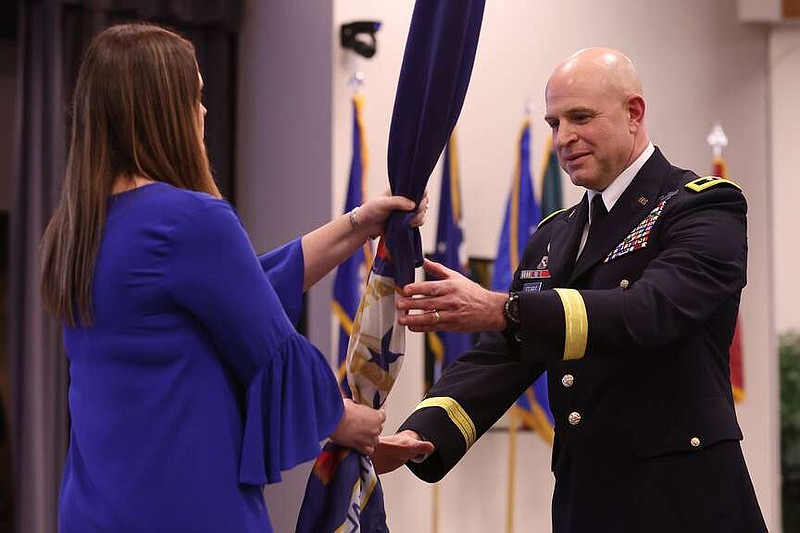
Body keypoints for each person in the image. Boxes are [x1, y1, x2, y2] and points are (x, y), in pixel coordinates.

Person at [39, 23, 426, 532]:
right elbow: (273, 351)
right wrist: (351, 422)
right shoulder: (189, 219)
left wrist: (358, 224)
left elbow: (247, 289)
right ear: (160, 110)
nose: (203, 112)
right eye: (194, 97)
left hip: (94, 510)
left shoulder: (78, 228)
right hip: (187, 508)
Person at [373, 47, 767, 532]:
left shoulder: (703, 207)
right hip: (588, 500)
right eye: (554, 123)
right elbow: (505, 354)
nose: (564, 138)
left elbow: (650, 312)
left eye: (580, 117)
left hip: (684, 501)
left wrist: (504, 308)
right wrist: (421, 432)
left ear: (633, 113)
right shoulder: (555, 234)